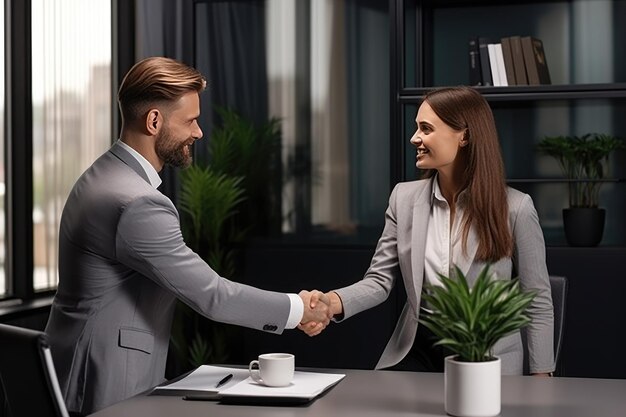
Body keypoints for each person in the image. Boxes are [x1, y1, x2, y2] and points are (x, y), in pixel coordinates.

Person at [44, 57, 331, 415]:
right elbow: (212, 295)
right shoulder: (137, 203)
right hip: (104, 384)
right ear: (154, 121)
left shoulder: (99, 175)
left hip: (71, 368)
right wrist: (300, 309)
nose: (198, 133)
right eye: (191, 121)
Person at [301, 86, 555, 376]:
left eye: (426, 128)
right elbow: (379, 281)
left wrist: (541, 378)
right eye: (416, 128)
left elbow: (537, 300)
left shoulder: (516, 208)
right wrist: (328, 303)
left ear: (465, 135)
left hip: (485, 356)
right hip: (418, 349)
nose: (415, 138)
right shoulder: (403, 199)